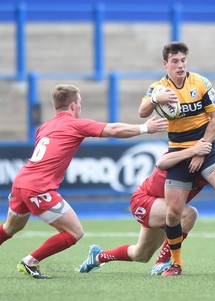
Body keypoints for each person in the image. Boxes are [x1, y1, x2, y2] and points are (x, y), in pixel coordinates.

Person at [0, 84, 168, 279]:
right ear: (73, 105)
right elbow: (112, 129)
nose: (80, 107)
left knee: (11, 227)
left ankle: (29, 261)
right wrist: (146, 127)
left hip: (21, 182)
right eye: (79, 103)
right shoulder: (74, 124)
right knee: (74, 232)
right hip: (38, 188)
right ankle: (30, 261)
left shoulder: (44, 127)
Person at [138, 41, 215, 276]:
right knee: (173, 212)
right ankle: (176, 263)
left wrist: (202, 148)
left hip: (207, 145)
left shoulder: (201, 83)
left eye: (183, 60)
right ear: (166, 64)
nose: (180, 65)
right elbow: (142, 111)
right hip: (179, 152)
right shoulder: (158, 88)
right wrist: (155, 100)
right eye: (175, 61)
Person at [78, 140, 215, 275]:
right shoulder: (183, 156)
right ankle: (163, 262)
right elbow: (162, 162)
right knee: (189, 214)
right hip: (144, 200)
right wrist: (192, 150)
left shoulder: (209, 169)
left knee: (141, 255)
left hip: (164, 206)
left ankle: (98, 256)